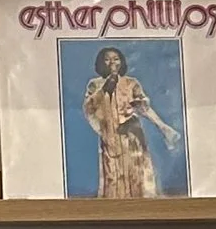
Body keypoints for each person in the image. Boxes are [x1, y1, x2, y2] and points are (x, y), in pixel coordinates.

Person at [78, 43, 182, 199]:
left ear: (121, 61)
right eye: (107, 59)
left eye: (116, 59)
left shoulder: (131, 83)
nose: (112, 62)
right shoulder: (95, 84)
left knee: (136, 171)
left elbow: (144, 105)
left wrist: (141, 105)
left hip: (132, 135)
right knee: (113, 173)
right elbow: (89, 108)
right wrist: (105, 89)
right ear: (101, 63)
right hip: (111, 136)